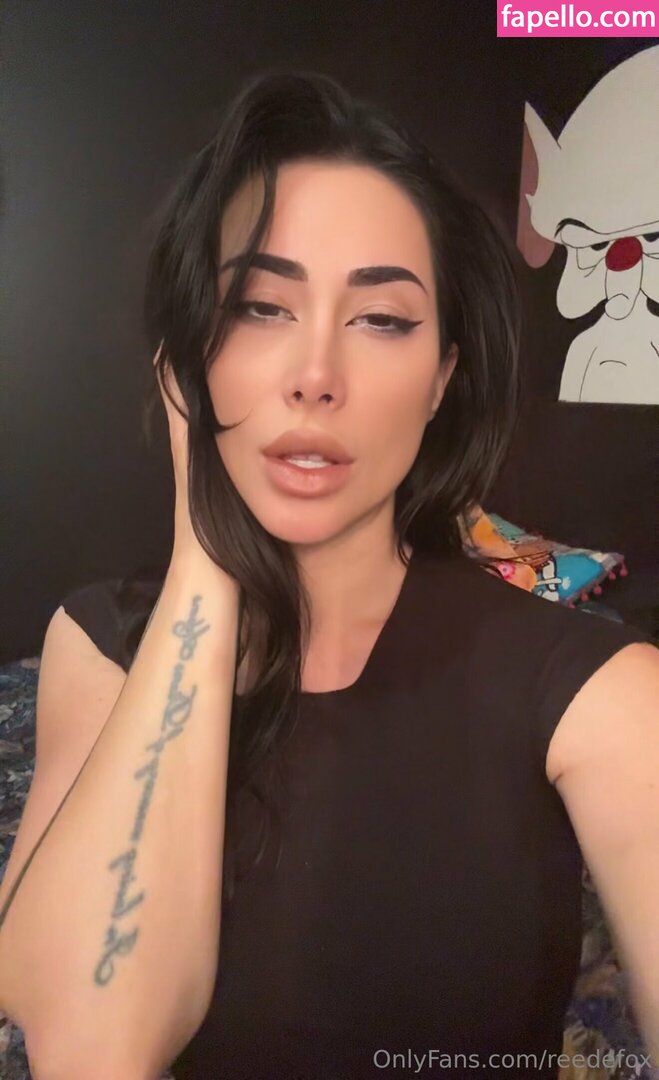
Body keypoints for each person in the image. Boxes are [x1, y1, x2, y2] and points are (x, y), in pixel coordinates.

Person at [0, 70, 657, 1080]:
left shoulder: (596, 692)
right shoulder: (97, 647)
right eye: (259, 308)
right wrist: (204, 555)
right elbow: (94, 1050)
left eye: (381, 319)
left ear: (441, 377)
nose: (315, 376)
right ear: (189, 362)